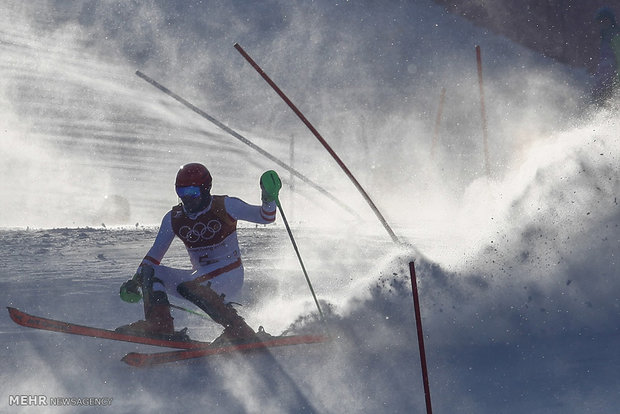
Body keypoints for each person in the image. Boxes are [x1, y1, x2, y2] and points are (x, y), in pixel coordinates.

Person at [117, 162, 282, 344]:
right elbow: (154, 256)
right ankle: (159, 324)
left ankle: (238, 329)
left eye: (192, 192)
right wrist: (135, 281)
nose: (187, 199)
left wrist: (268, 198)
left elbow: (266, 217)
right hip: (199, 278)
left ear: (205, 189)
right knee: (151, 271)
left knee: (190, 286)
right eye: (182, 193)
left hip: (229, 275)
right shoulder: (174, 218)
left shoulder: (225, 205)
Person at [592, 6, 620, 104]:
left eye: (602, 21)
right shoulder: (605, 38)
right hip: (604, 82)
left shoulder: (615, 36)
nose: (600, 25)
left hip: (613, 82)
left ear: (609, 20)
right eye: (599, 22)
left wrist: (615, 81)